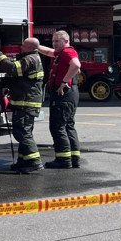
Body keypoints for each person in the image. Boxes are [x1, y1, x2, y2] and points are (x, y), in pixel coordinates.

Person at [0, 37, 45, 174]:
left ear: (29, 47)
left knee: (22, 133)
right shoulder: (33, 58)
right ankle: (24, 162)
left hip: (26, 103)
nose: (21, 47)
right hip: (26, 103)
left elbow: (12, 69)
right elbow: (21, 78)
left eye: (23, 45)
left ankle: (35, 162)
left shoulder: (30, 59)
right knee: (24, 132)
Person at [38, 30, 82, 169]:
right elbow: (49, 52)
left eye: (57, 41)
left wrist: (63, 82)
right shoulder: (61, 53)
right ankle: (74, 158)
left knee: (57, 126)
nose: (54, 44)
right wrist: (35, 46)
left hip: (64, 94)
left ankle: (63, 160)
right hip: (70, 94)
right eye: (53, 41)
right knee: (68, 125)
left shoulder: (68, 52)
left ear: (66, 41)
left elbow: (76, 65)